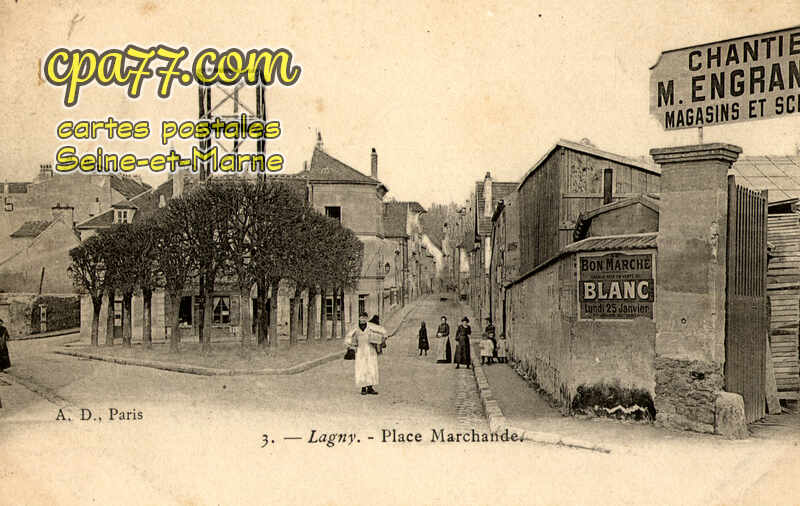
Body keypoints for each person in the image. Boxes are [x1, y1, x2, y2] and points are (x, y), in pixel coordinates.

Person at [345, 312, 384, 395]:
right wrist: (350, 345)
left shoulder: (371, 326)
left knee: (371, 368)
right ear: (359, 318)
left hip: (370, 350)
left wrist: (382, 337)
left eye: (365, 318)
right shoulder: (355, 327)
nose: (363, 319)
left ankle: (370, 387)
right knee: (361, 369)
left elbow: (381, 330)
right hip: (360, 351)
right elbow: (348, 336)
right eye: (361, 317)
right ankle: (363, 388)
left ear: (367, 319)